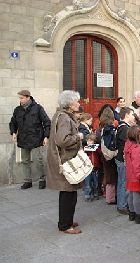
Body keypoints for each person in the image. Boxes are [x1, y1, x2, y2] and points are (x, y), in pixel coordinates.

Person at [47, 90, 83, 234]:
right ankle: (65, 225)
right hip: (66, 160)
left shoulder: (62, 115)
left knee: (68, 193)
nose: (79, 104)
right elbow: (62, 140)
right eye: (77, 101)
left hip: (64, 159)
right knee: (68, 194)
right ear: (69, 103)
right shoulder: (65, 118)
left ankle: (66, 221)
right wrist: (78, 136)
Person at [9, 89, 51, 190]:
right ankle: (27, 181)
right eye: (20, 98)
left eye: (22, 98)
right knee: (25, 161)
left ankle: (42, 179)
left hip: (36, 138)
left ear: (28, 97)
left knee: (38, 160)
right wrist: (13, 132)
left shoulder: (38, 108)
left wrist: (46, 136)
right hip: (23, 139)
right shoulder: (17, 110)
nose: (20, 100)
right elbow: (13, 122)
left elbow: (47, 122)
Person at [124, 125, 140, 224]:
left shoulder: (128, 144)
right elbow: (138, 165)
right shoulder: (138, 149)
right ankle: (138, 215)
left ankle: (132, 213)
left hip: (130, 174)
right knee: (136, 196)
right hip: (136, 176)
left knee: (131, 194)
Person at [115, 107, 136, 214]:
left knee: (121, 182)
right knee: (123, 182)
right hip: (123, 159)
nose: (133, 117)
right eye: (132, 114)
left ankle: (122, 203)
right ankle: (122, 205)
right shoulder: (124, 128)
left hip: (120, 158)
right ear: (127, 115)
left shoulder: (122, 127)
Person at [83, 133, 101, 202]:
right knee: (88, 183)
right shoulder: (85, 149)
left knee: (95, 182)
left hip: (95, 167)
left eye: (91, 141)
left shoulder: (96, 149)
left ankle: (95, 193)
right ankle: (88, 195)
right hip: (87, 168)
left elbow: (100, 154)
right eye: (88, 141)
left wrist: (97, 149)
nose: (89, 142)